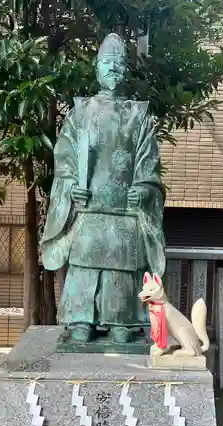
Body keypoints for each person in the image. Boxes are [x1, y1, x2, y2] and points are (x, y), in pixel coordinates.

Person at [41, 32, 165, 343]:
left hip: (124, 214)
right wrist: (70, 188)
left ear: (126, 70)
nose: (113, 69)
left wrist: (145, 189)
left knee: (122, 272)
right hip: (90, 210)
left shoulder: (138, 116)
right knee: (84, 265)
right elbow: (66, 159)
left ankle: (121, 319)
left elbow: (149, 165)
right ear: (97, 68)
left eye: (119, 63)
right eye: (107, 63)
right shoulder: (80, 113)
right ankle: (81, 317)